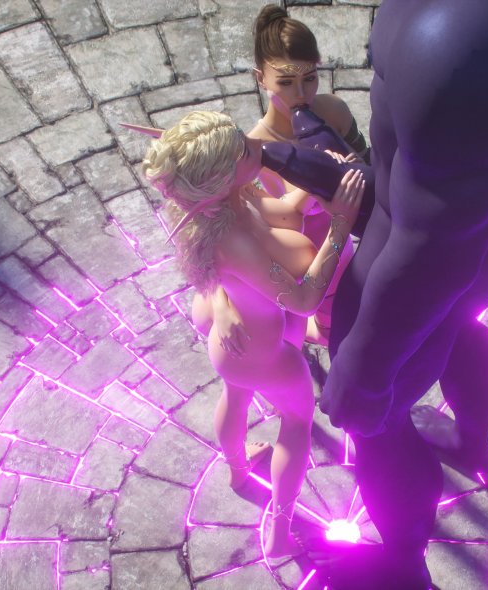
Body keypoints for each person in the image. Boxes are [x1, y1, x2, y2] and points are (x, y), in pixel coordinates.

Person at [256, 1, 488, 587]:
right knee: (456, 326)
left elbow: (434, 237)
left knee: (379, 425)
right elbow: (440, 173)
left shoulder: (460, 43)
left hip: (420, 255)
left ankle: (404, 567)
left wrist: (364, 369)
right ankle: (472, 443)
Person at [141, 111, 364, 558]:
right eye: (242, 150)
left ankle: (238, 471)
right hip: (262, 352)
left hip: (237, 342)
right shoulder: (233, 238)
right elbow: (303, 300)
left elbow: (286, 211)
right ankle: (279, 533)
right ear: (220, 176)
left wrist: (326, 176)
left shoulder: (222, 203)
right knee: (297, 422)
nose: (254, 146)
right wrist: (340, 225)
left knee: (235, 395)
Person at [246, 4, 368, 346]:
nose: (302, 94)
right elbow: (244, 227)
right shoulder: (256, 148)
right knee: (331, 333)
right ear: (260, 78)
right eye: (286, 82)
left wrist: (356, 164)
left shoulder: (333, 111)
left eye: (310, 78)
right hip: (309, 257)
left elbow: (371, 165)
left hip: (348, 245)